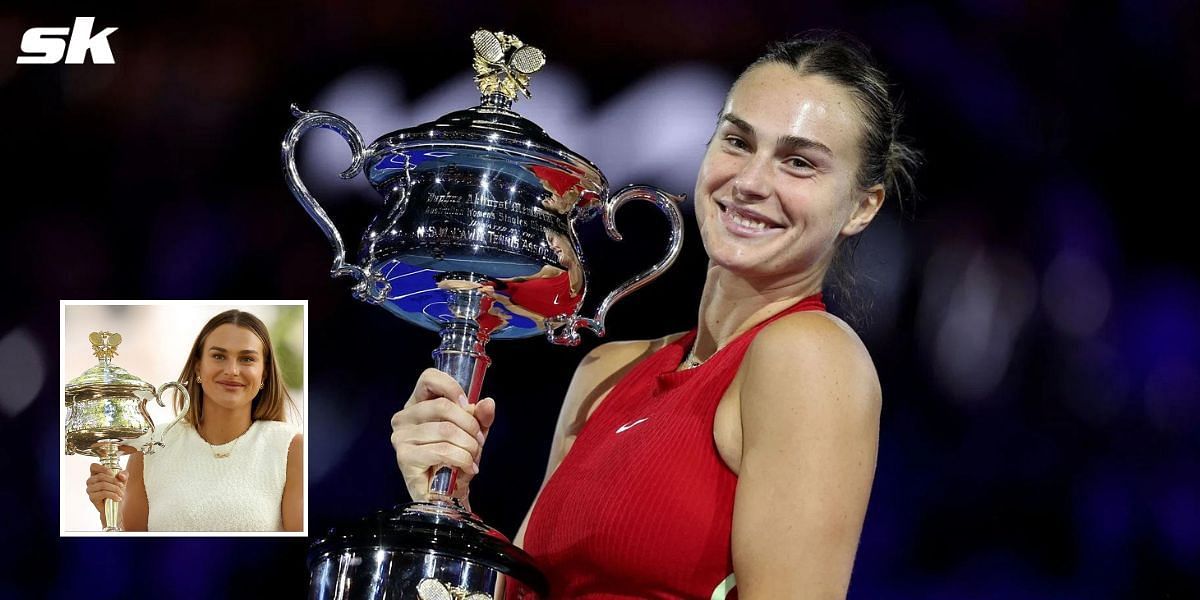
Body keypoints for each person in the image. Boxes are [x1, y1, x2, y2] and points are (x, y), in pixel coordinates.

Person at [390, 31, 919, 597]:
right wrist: (447, 505)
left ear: (862, 207)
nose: (750, 182)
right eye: (737, 142)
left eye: (798, 162)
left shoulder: (810, 356)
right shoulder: (605, 372)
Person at [84, 309, 304, 532]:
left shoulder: (290, 448)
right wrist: (109, 514)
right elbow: (137, 554)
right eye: (218, 356)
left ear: (264, 373)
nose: (232, 370)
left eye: (247, 359)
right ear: (198, 366)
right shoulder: (149, 449)